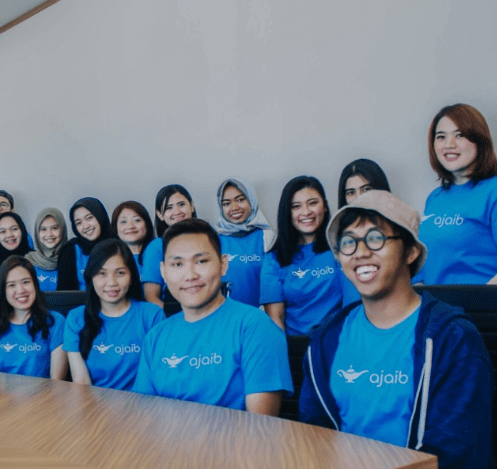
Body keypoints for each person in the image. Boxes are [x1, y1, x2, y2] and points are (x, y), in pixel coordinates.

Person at [302, 190, 497, 469]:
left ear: (410, 251)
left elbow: (454, 465)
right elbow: (314, 440)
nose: (360, 251)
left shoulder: (451, 337)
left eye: (375, 238)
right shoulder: (325, 340)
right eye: (348, 242)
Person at [133, 219, 291, 414]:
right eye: (177, 264)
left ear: (223, 264)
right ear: (163, 272)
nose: (190, 275)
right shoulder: (155, 337)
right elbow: (145, 416)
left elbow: (260, 424)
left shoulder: (256, 327)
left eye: (201, 261)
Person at [419, 104, 497, 344]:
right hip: (446, 327)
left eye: (459, 135)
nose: (448, 144)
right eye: (440, 137)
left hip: (492, 326)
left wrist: (472, 306)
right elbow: (427, 269)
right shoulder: (435, 199)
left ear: (479, 140)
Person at [64, 240, 164, 391]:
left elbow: (158, 375)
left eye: (120, 273)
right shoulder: (76, 318)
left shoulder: (152, 315)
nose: (111, 282)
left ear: (131, 276)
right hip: (94, 403)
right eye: (102, 273)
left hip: (144, 403)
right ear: (91, 277)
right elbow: (81, 382)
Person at [260, 176, 345, 336]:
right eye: (296, 206)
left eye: (313, 203)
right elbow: (276, 319)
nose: (306, 212)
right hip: (296, 345)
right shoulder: (273, 260)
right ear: (288, 212)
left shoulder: (341, 248)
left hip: (339, 341)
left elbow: (354, 306)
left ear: (325, 206)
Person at [0, 256, 67, 379]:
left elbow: (57, 381)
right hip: (2, 391)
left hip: (45, 391)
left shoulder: (55, 321)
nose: (20, 290)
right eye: (11, 285)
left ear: (35, 284)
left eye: (26, 282)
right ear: (3, 291)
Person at [214, 178, 275, 307]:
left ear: (251, 200)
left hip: (259, 315)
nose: (234, 207)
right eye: (226, 203)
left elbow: (274, 285)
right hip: (225, 315)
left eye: (240, 200)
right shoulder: (214, 239)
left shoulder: (267, 236)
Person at [141, 184, 197, 307]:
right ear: (160, 215)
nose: (177, 211)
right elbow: (151, 297)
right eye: (169, 208)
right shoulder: (157, 247)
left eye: (181, 204)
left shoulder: (205, 240)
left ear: (191, 206)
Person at [56, 197, 110, 291]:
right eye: (79, 223)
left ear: (100, 216)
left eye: (89, 218)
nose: (85, 226)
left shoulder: (118, 246)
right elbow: (65, 294)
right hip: (81, 301)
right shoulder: (70, 250)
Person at [25, 208, 66, 292]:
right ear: (37, 232)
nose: (49, 234)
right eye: (43, 229)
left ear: (62, 230)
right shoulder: (28, 261)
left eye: (54, 228)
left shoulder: (72, 259)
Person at [111, 201, 154, 266]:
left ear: (147, 225)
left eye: (137, 220)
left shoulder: (159, 252)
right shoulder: (110, 260)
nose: (130, 226)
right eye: (123, 222)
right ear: (115, 229)